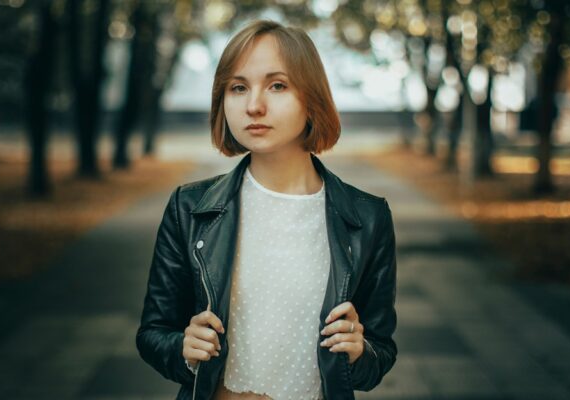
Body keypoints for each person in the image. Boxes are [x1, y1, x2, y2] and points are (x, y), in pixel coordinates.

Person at [136, 19, 397, 400]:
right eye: (238, 87)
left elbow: (380, 351)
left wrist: (359, 351)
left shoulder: (367, 218)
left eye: (277, 85)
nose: (254, 105)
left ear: (312, 98)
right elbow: (153, 333)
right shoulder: (190, 208)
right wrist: (184, 349)